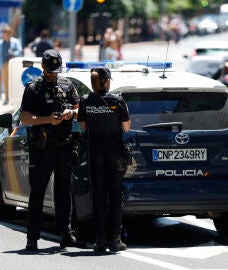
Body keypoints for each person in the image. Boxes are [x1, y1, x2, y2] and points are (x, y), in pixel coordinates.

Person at [20, 49, 80, 251]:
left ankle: (65, 233)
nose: (54, 74)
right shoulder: (33, 88)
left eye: (56, 70)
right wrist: (48, 120)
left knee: (64, 191)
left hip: (64, 144)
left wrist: (71, 112)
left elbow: (80, 109)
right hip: (42, 146)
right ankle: (32, 238)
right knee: (37, 192)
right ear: (43, 67)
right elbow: (25, 118)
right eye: (50, 70)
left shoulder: (67, 85)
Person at [78, 68, 131, 252]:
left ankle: (100, 241)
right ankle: (115, 240)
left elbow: (83, 125)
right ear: (107, 81)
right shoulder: (117, 100)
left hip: (95, 151)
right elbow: (126, 127)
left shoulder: (85, 101)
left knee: (99, 196)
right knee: (115, 195)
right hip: (114, 151)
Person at [0, 25, 23, 105]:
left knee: (13, 82)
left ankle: (13, 99)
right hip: (3, 64)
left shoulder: (15, 41)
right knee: (5, 82)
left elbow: (20, 51)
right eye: (5, 33)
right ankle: (7, 98)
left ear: (11, 34)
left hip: (13, 64)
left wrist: (14, 53)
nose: (6, 35)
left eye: (8, 33)